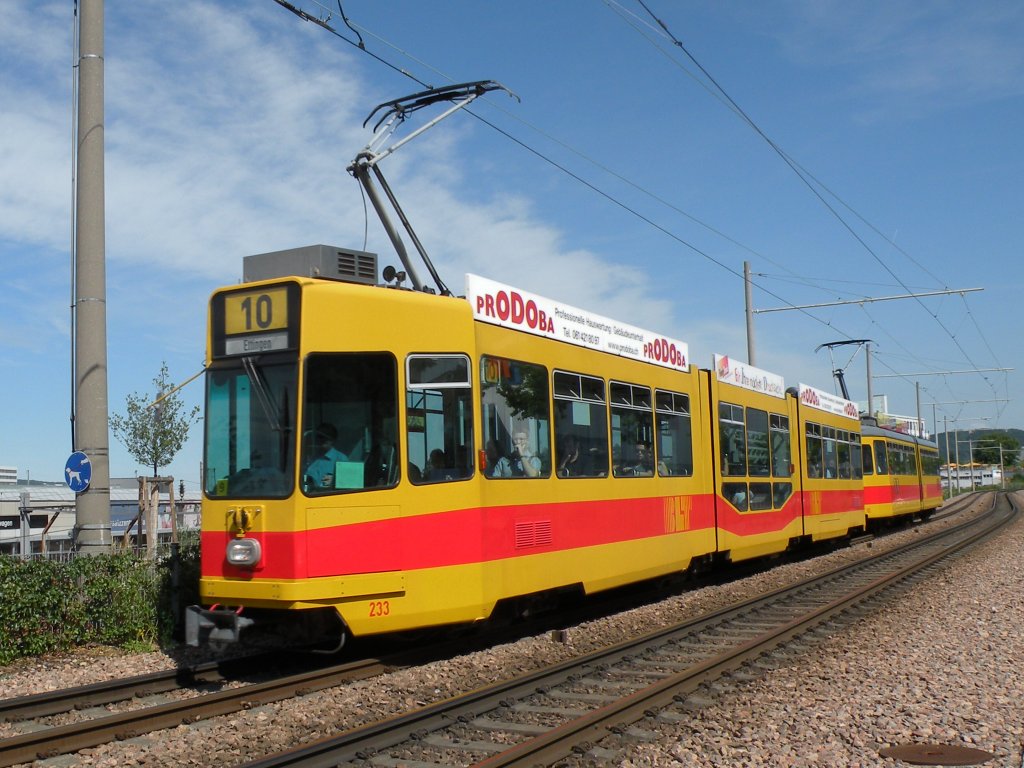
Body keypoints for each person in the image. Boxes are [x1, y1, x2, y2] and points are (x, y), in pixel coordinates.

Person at [304, 424, 347, 490]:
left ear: (333, 440)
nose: (323, 440)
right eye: (320, 436)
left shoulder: (341, 459)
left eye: (327, 437)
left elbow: (344, 486)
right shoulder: (312, 457)